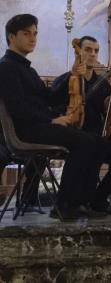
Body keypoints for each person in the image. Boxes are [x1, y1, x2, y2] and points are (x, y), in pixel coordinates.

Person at [0, 14, 101, 220]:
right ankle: (64, 205)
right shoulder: (6, 67)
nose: (33, 38)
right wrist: (51, 121)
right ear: (11, 37)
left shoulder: (27, 69)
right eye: (26, 33)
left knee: (94, 141)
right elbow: (18, 109)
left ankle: (80, 202)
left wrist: (72, 74)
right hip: (25, 130)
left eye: (35, 34)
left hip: (35, 127)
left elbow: (50, 98)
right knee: (84, 142)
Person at [50, 36, 111, 215]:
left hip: (99, 137)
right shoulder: (67, 80)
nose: (92, 54)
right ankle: (71, 203)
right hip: (74, 137)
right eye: (88, 50)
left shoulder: (104, 84)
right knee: (91, 145)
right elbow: (53, 103)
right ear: (79, 51)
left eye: (96, 51)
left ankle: (99, 199)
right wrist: (73, 76)